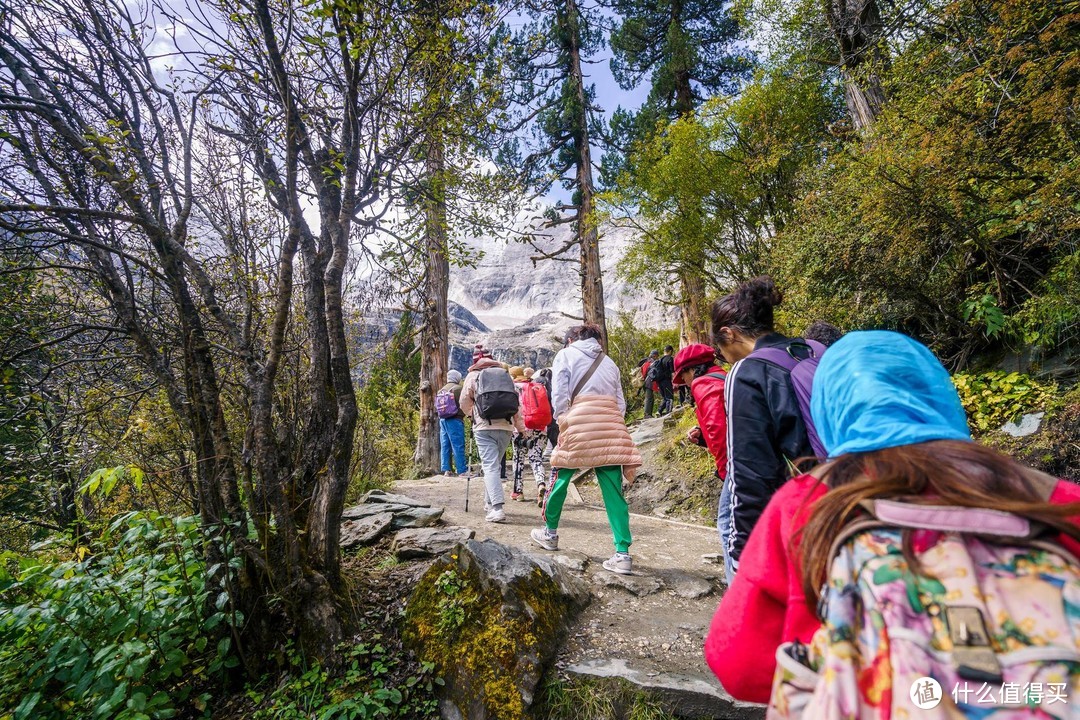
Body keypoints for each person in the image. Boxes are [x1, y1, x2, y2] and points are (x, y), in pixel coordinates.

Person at [703, 330, 1080, 706]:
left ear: (827, 409)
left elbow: (738, 664)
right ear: (941, 394)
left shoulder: (807, 503)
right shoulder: (1054, 498)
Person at [711, 276, 817, 580]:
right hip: (846, 491)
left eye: (720, 351)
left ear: (728, 335)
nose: (724, 360)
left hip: (806, 507)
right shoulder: (807, 350)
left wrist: (743, 559)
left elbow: (751, 472)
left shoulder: (748, 371)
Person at [530, 324, 642, 575]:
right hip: (609, 425)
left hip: (578, 422)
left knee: (560, 477)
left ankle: (549, 533)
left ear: (571, 340)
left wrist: (563, 420)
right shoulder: (610, 362)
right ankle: (622, 553)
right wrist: (608, 422)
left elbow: (559, 394)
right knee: (614, 491)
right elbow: (620, 402)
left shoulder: (566, 355)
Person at [459, 348, 526, 522]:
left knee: (490, 467)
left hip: (484, 427)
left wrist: (472, 416)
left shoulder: (473, 376)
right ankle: (489, 504)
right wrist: (521, 428)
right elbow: (516, 405)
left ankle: (497, 508)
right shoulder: (505, 376)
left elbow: (464, 401)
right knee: (494, 466)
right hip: (506, 426)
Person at [673, 344, 727, 480]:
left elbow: (718, 428)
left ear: (691, 370)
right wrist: (703, 435)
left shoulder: (703, 384)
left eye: (682, 375)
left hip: (736, 466)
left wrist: (724, 471)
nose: (684, 381)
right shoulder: (721, 375)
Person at [437, 369, 467, 476]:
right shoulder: (459, 389)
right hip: (455, 419)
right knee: (458, 445)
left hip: (443, 420)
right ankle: (462, 470)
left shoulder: (441, 390)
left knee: (445, 445)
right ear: (457, 378)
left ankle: (447, 470)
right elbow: (464, 403)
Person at [655, 345, 676, 415]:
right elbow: (672, 371)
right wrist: (675, 382)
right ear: (670, 351)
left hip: (659, 381)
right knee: (670, 397)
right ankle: (668, 413)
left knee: (665, 397)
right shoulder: (670, 359)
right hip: (666, 380)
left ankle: (659, 411)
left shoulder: (660, 360)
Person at [640, 349, 660, 418]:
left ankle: (649, 414)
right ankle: (647, 414)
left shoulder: (648, 362)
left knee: (650, 398)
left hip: (648, 382)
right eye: (656, 356)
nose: (657, 357)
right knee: (649, 398)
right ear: (654, 355)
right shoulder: (648, 363)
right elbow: (644, 373)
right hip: (648, 382)